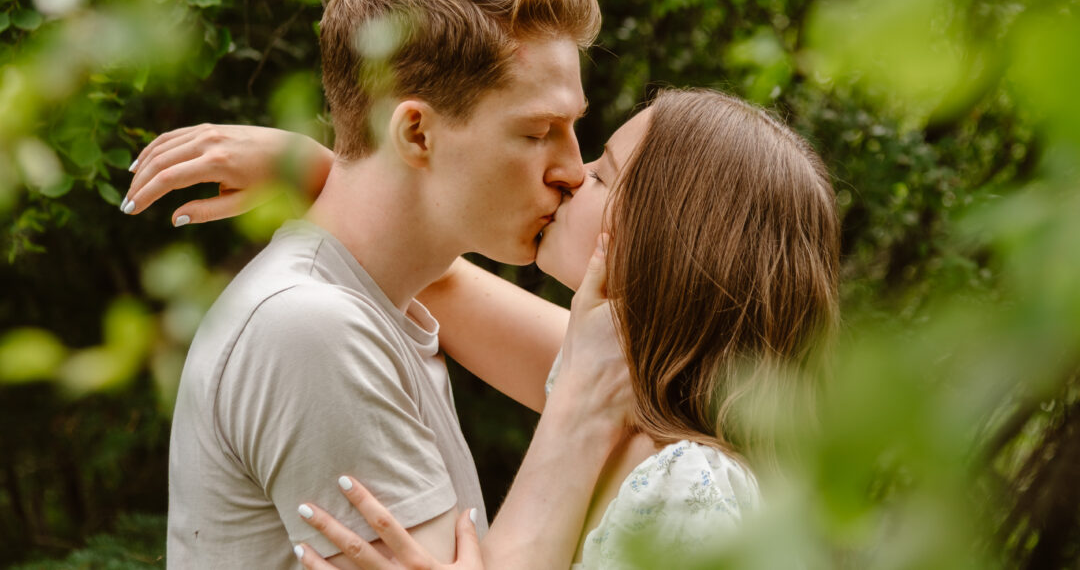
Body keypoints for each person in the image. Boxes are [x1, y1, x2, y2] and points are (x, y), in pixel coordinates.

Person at [127, 89, 841, 568]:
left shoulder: (691, 487)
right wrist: (318, 171)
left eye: (602, 173)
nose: (569, 174)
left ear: (662, 232)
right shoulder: (624, 377)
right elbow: (427, 268)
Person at [144, 0, 637, 570]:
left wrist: (324, 177)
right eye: (539, 131)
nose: (571, 169)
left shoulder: (375, 303)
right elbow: (605, 386)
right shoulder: (315, 329)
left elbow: (637, 383)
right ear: (416, 132)